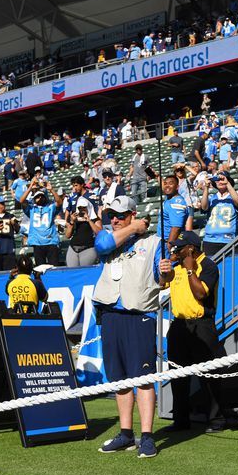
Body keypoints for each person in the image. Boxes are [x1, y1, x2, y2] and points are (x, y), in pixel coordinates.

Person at [93, 196, 164, 459]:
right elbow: (101, 245)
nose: (115, 219)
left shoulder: (155, 241)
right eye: (112, 214)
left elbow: (163, 276)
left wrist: (166, 272)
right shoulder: (109, 237)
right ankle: (125, 433)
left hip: (139, 314)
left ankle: (146, 436)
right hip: (111, 313)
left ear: (133, 214)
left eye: (121, 215)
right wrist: (133, 228)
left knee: (143, 379)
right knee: (119, 379)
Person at [158, 231, 226, 432]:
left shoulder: (208, 265)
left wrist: (190, 271)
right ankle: (181, 420)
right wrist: (164, 271)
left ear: (191, 249)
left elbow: (201, 292)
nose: (176, 251)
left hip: (202, 324)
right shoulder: (178, 266)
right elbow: (163, 284)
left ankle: (216, 419)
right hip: (180, 325)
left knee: (209, 373)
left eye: (180, 248)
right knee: (178, 374)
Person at [197, 172, 238, 256]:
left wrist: (227, 183)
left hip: (229, 240)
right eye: (217, 180)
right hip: (210, 240)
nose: (220, 182)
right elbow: (204, 207)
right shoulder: (212, 198)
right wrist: (206, 187)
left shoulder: (234, 196)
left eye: (222, 179)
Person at [20, 178, 61, 267]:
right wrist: (30, 187)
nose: (40, 198)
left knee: (54, 268)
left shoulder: (50, 207)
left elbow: (59, 202)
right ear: (34, 199)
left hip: (51, 241)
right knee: (39, 269)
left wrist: (51, 190)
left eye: (41, 196)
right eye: (37, 197)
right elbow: (22, 200)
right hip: (37, 243)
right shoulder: (31, 209)